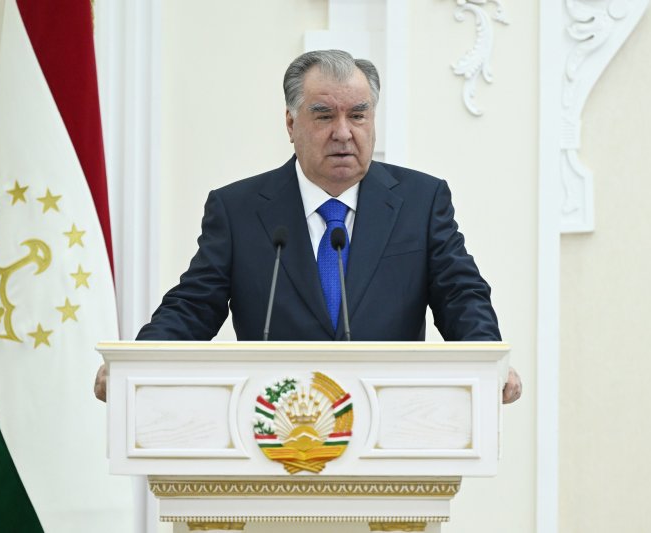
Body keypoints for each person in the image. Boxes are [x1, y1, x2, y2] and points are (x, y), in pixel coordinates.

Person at [94, 49, 521, 403]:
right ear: (290, 123)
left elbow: (460, 295)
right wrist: (137, 365)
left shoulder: (421, 201)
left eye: (358, 115)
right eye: (323, 116)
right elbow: (193, 306)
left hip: (392, 420)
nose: (343, 133)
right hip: (274, 429)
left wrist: (488, 361)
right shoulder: (239, 210)